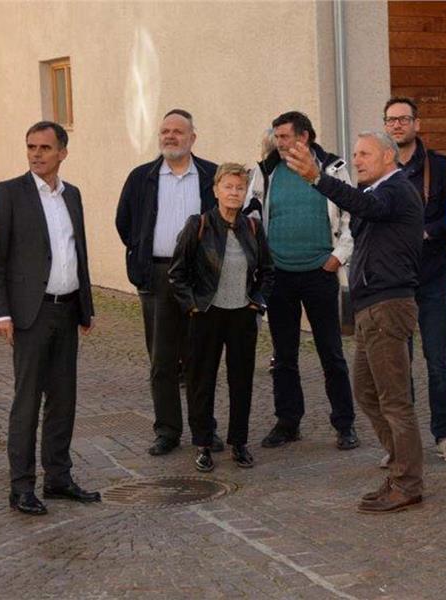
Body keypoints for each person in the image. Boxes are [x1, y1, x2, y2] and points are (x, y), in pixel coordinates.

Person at [286, 131, 425, 513]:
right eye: (355, 154)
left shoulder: (395, 189)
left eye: (365, 154)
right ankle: (400, 468)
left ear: (388, 157)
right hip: (369, 308)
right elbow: (362, 209)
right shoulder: (376, 192)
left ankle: (407, 483)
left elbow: (366, 206)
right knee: (366, 392)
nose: (357, 160)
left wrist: (317, 177)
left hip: (388, 306)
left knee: (394, 400)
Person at [0, 121, 99, 515]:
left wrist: (86, 306)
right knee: (28, 401)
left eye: (45, 148)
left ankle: (58, 478)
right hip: (29, 314)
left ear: (62, 152)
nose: (36, 154)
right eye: (31, 146)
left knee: (63, 400)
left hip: (67, 311)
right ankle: (21, 487)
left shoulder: (72, 195)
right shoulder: (9, 193)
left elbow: (78, 252)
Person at [245, 111, 358, 451]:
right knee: (283, 355)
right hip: (279, 275)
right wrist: (262, 261)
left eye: (284, 136)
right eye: (276, 136)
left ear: (304, 137)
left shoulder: (332, 169)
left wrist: (338, 256)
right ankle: (288, 422)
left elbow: (351, 214)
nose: (278, 143)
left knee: (331, 352)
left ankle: (344, 424)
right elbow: (252, 215)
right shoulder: (266, 171)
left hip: (319, 273)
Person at [115, 109, 223, 456]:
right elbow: (125, 222)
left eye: (178, 131)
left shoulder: (211, 175)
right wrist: (142, 253)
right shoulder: (141, 177)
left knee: (199, 359)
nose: (170, 136)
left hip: (200, 277)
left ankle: (204, 430)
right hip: (158, 275)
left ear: (193, 137)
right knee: (162, 360)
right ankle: (167, 431)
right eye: (165, 131)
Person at [169, 163, 274, 472]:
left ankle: (239, 443)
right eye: (228, 186)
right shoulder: (199, 225)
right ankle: (203, 444)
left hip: (242, 315)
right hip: (207, 314)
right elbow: (177, 273)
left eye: (239, 188)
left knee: (241, 381)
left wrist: (257, 302)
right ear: (215, 190)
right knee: (201, 381)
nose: (234, 193)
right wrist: (192, 306)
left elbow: (268, 271)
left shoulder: (252, 227)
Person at [382, 97, 446, 464]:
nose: (397, 125)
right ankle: (403, 443)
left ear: (417, 124)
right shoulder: (381, 168)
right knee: (399, 365)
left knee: (438, 361)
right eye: (391, 120)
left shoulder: (441, 167)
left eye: (403, 119)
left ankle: (444, 436)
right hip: (394, 283)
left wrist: (427, 232)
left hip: (432, 279)